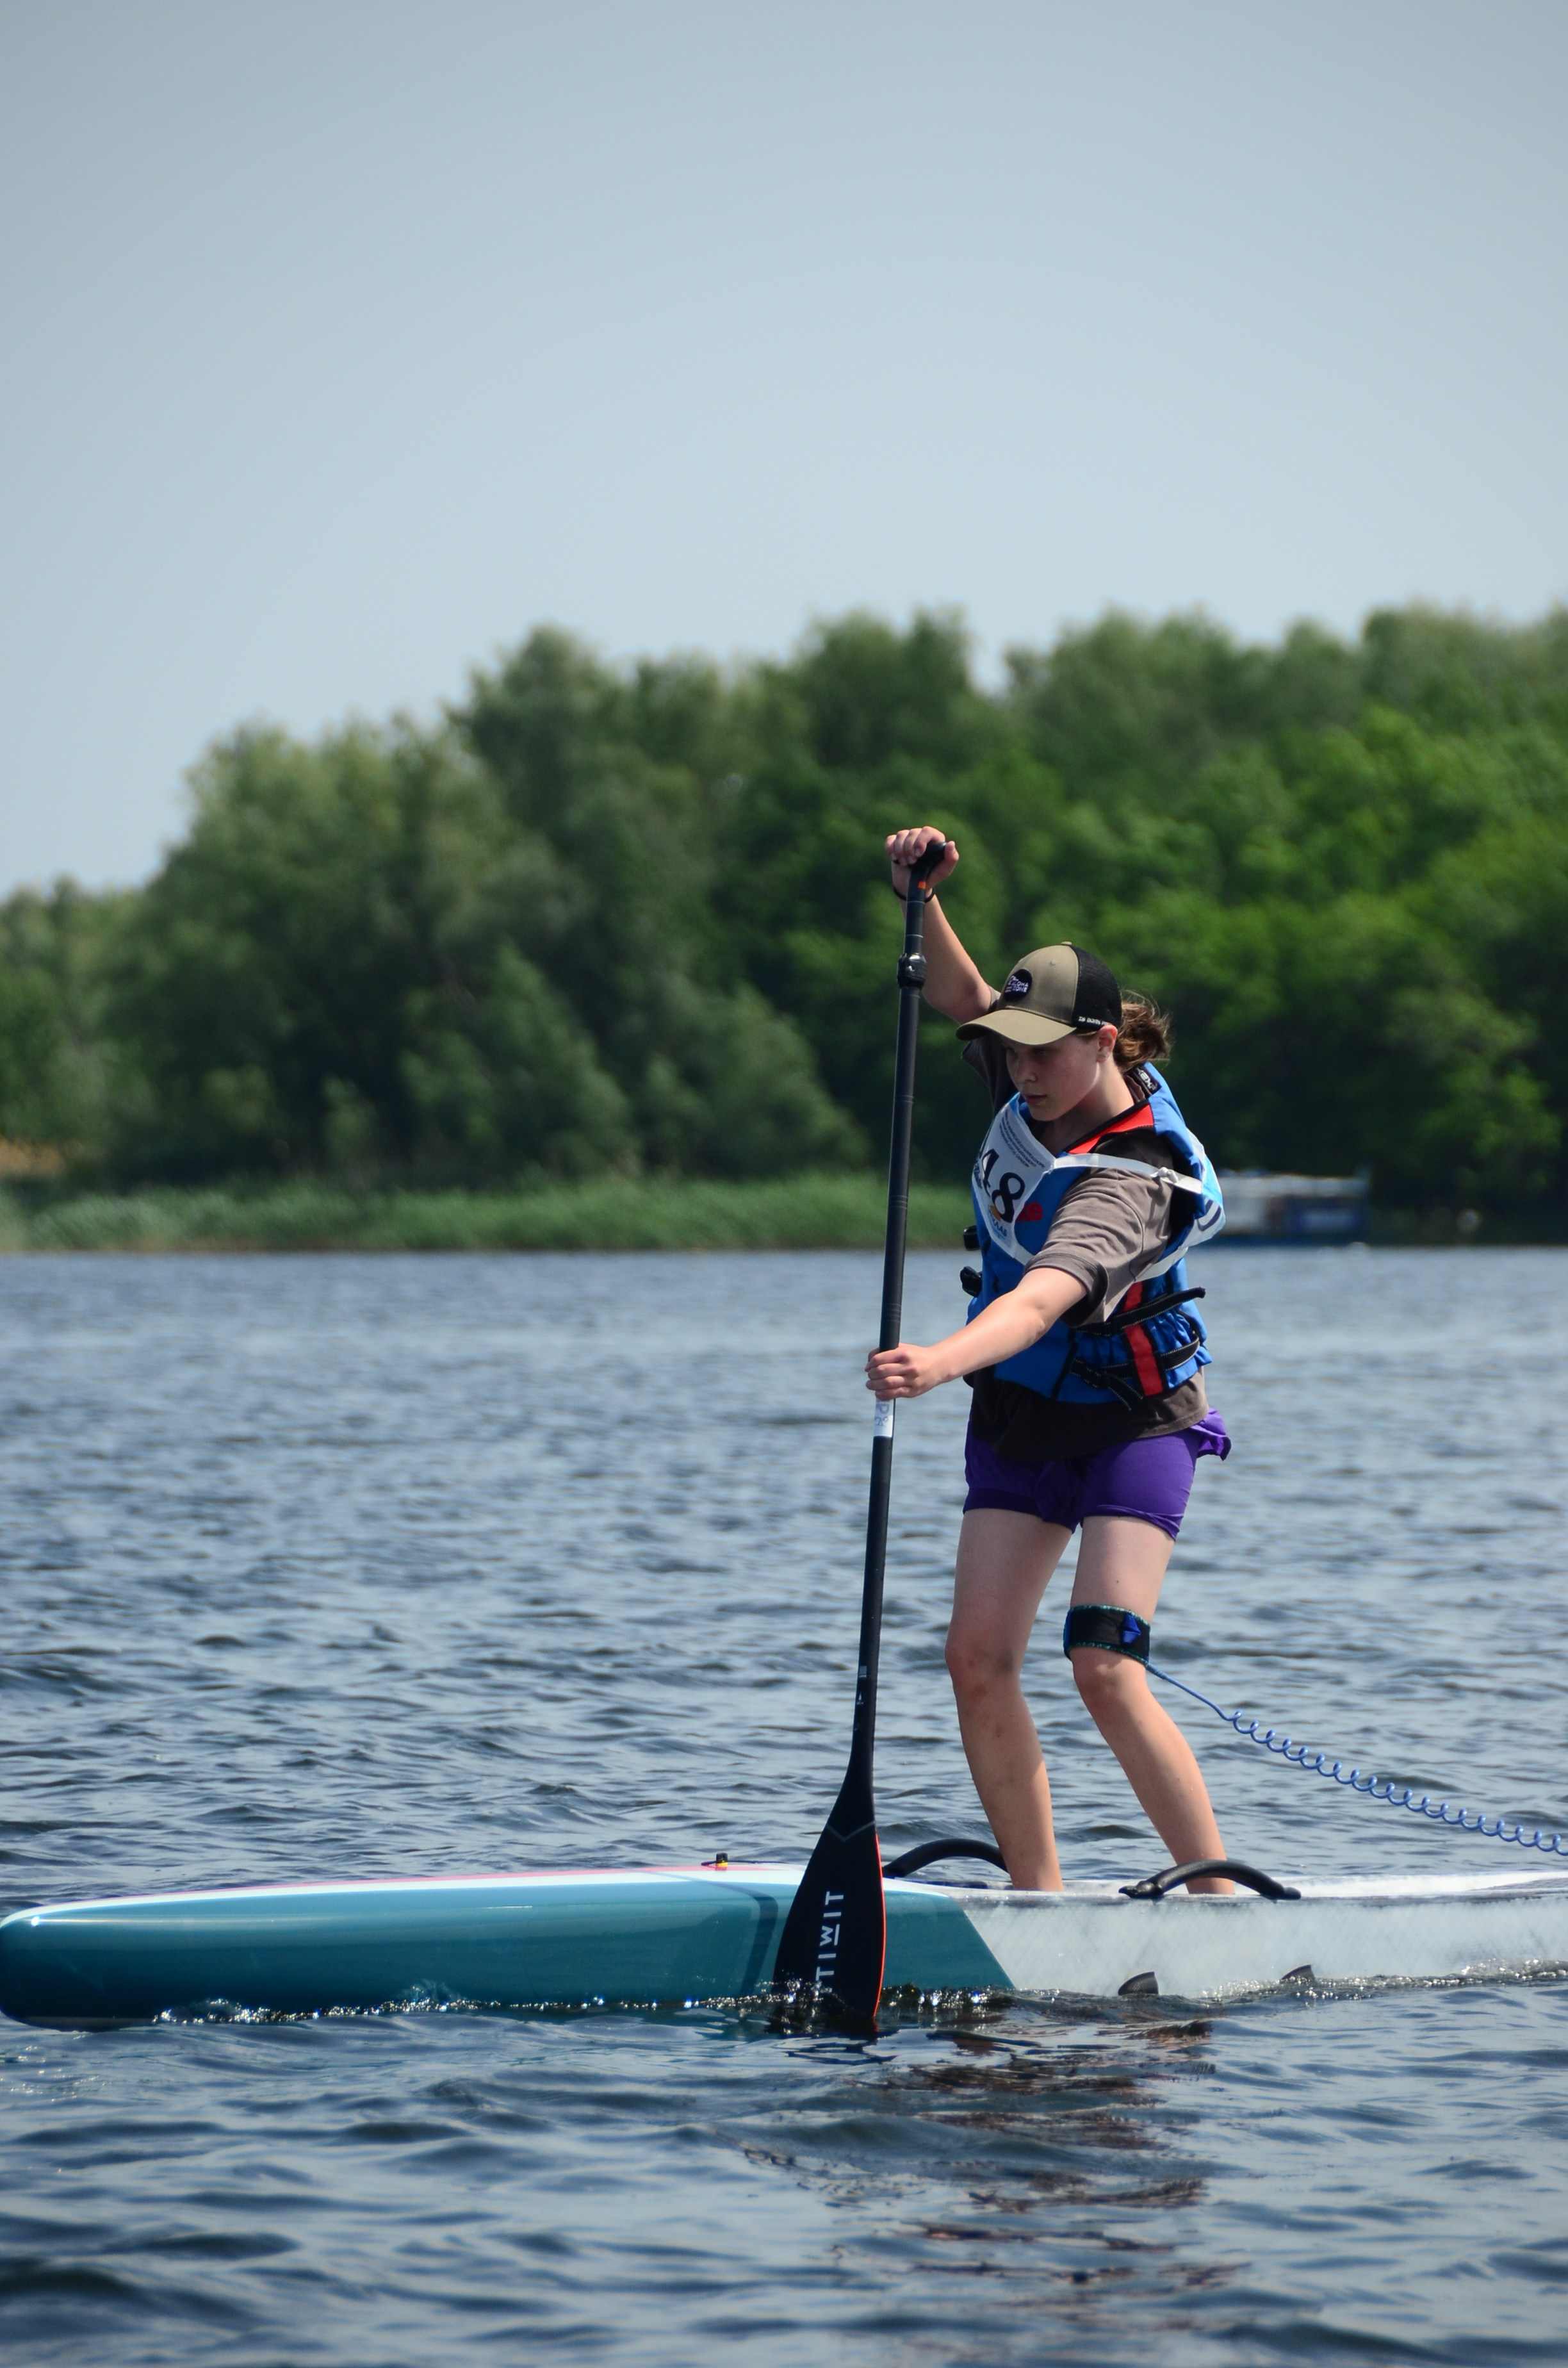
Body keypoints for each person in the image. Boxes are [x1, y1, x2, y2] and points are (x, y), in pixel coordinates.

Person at [868, 825, 1233, 1894]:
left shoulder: (1133, 1178)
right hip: (1024, 1421)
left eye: (1043, 1049)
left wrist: (935, 1364)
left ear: (1108, 1040)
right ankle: (1041, 1906)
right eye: (1012, 1049)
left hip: (1135, 1425)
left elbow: (1038, 1301)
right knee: (974, 1662)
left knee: (1103, 1667)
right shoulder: (1036, 1074)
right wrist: (917, 896)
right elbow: (958, 994)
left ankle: (1218, 1903)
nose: (1020, 1070)